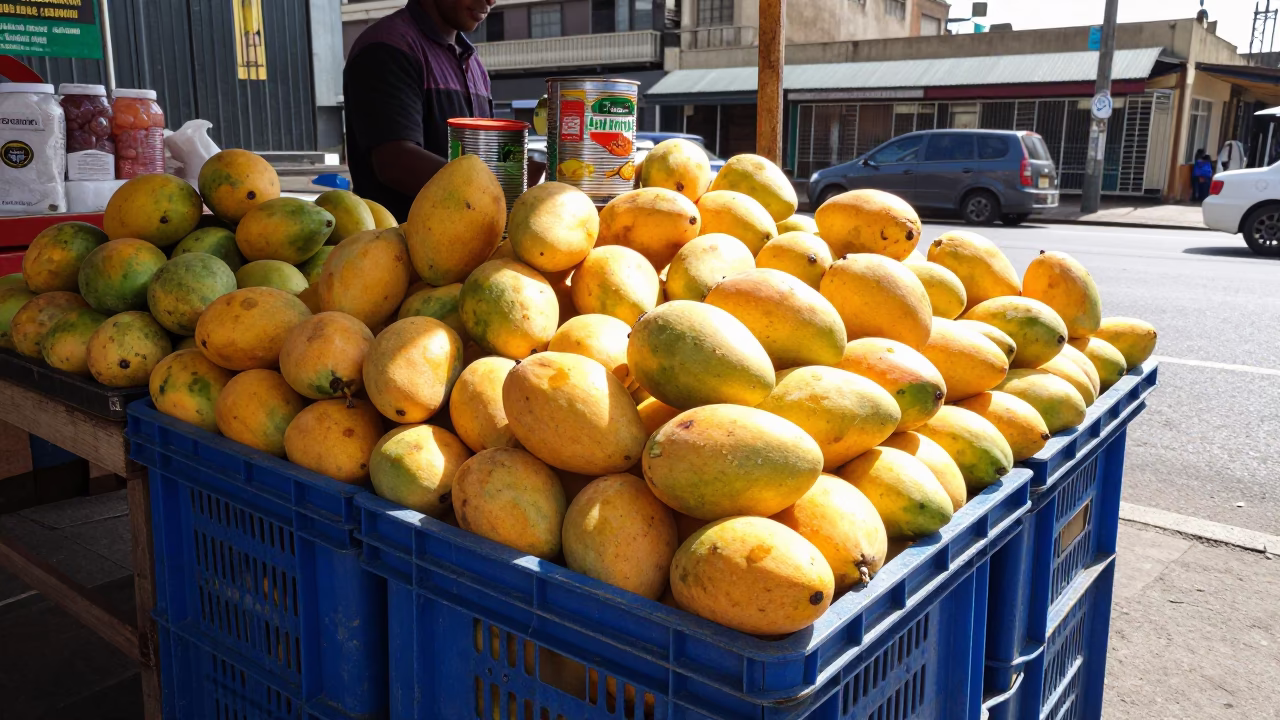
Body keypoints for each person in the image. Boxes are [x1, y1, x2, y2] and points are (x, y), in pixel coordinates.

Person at [342, 0, 497, 222]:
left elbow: (482, 156)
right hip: (396, 246)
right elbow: (395, 163)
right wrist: (494, 188)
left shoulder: (473, 63)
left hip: (470, 240)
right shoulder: (388, 46)